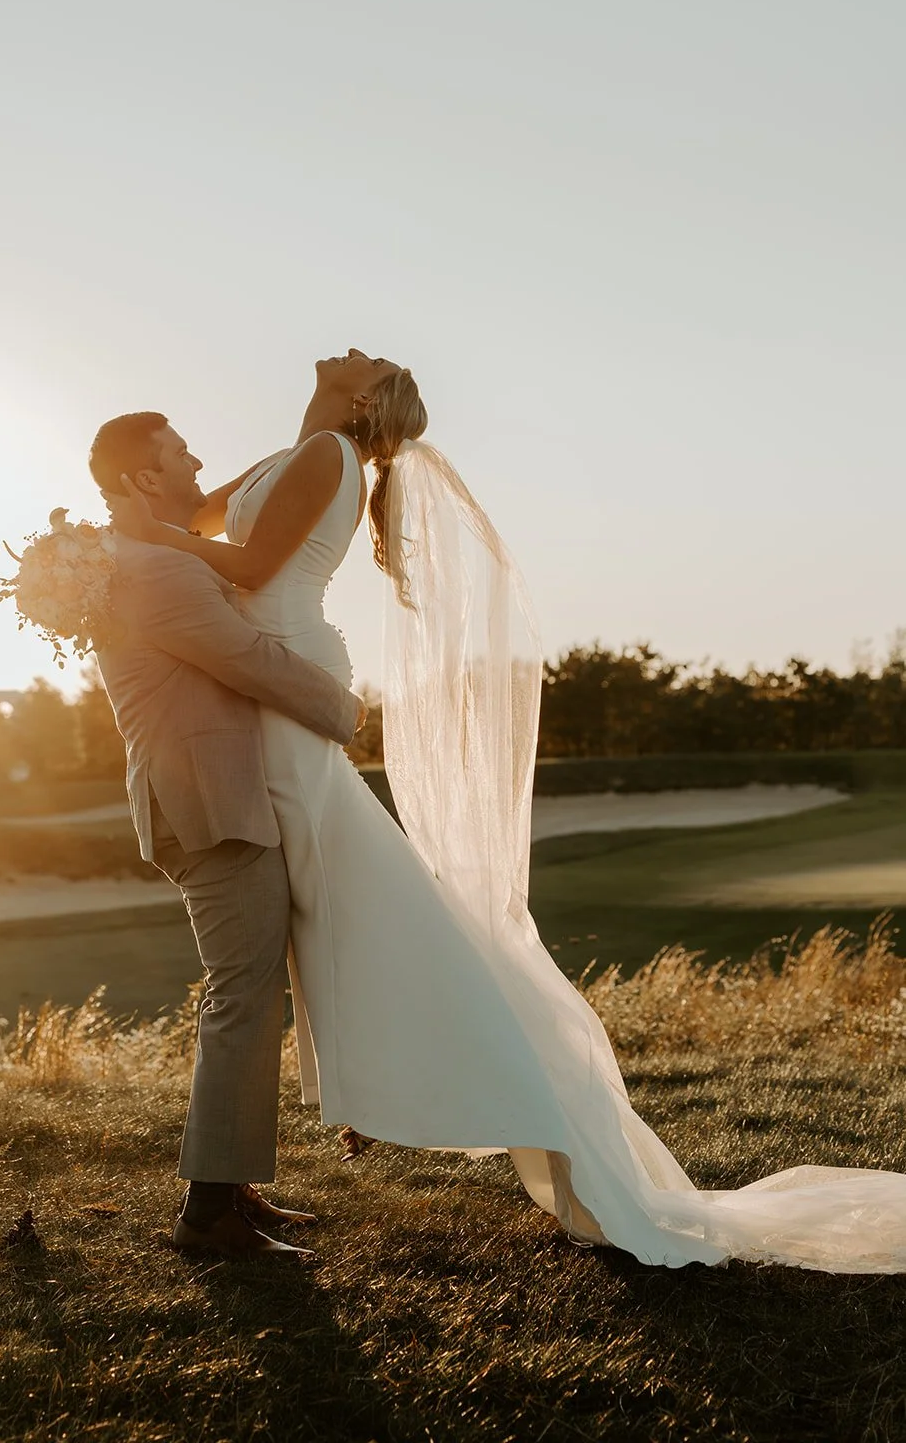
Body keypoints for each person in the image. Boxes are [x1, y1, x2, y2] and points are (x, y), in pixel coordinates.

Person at [109, 354, 906, 1273]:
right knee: (336, 890)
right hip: (264, 680)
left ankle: (412, 1063)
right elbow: (187, 514)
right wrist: (121, 535)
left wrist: (147, 541)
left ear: (359, 402)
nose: (356, 353)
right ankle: (338, 1094)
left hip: (288, 671)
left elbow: (244, 560)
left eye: (369, 365)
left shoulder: (329, 454)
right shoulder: (288, 454)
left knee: (342, 886)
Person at [88, 411, 365, 1259]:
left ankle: (232, 1189)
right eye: (178, 453)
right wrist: (347, 711)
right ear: (141, 477)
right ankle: (208, 1212)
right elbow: (251, 659)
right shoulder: (155, 574)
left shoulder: (137, 556)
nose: (197, 461)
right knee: (242, 994)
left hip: (212, 794)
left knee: (245, 991)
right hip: (209, 800)